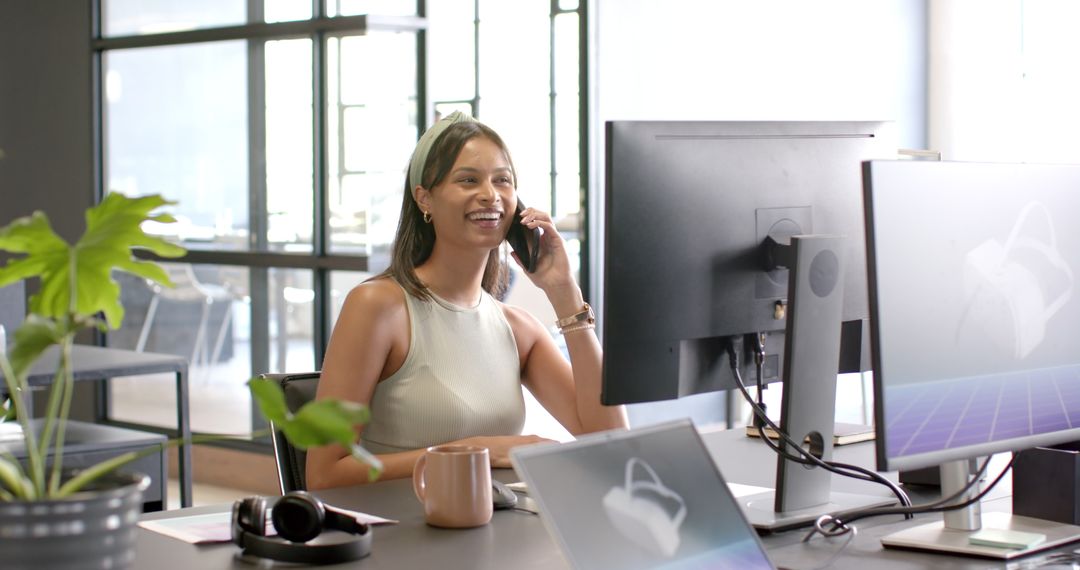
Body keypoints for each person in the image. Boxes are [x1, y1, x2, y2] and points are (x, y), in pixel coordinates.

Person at [306, 112, 628, 489]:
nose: (490, 195)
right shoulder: (378, 306)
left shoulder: (518, 329)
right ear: (424, 198)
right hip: (401, 537)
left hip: (491, 532)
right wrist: (473, 451)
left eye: (502, 180)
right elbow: (325, 474)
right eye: (468, 180)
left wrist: (564, 293)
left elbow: (611, 442)